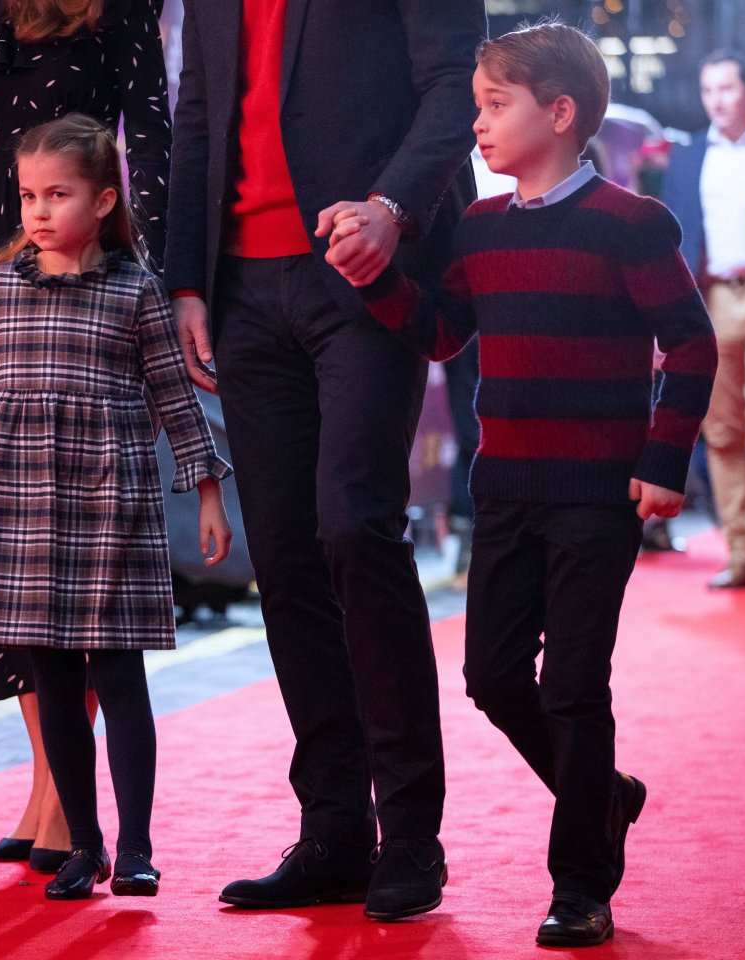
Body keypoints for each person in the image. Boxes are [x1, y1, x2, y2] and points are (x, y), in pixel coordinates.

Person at [356, 22, 718, 946]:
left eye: (493, 105)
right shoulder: (478, 229)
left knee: (573, 687)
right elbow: (442, 335)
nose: (476, 125)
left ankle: (580, 887)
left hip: (599, 497)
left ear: (559, 114)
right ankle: (606, 793)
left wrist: (661, 463)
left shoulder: (635, 224)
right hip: (507, 492)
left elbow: (691, 343)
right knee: (490, 675)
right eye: (477, 104)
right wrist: (375, 278)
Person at [165, 0, 482, 921]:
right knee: (289, 556)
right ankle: (335, 831)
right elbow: (198, 108)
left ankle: (413, 835)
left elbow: (454, 84)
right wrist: (187, 278)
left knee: (354, 526)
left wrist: (394, 205)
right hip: (240, 284)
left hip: (362, 261)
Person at [0, 114, 232, 901]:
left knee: (119, 680)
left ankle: (139, 846)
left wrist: (210, 491)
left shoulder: (136, 292)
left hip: (109, 506)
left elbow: (175, 399)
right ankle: (83, 847)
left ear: (104, 198)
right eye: (27, 196)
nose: (39, 211)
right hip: (18, 504)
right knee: (49, 682)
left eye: (58, 194)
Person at [662, 49, 745, 594]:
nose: (717, 101)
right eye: (708, 91)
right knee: (721, 430)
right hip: (711, 302)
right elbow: (671, 243)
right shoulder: (686, 158)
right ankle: (741, 553)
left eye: (727, 89)